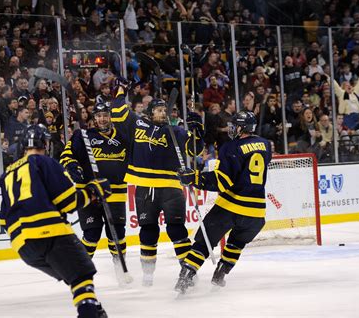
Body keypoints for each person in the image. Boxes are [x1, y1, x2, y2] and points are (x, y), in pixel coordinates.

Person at [0, 124, 110, 318]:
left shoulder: (7, 173)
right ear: (45, 143)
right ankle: (90, 313)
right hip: (50, 234)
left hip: (23, 247)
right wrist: (93, 192)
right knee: (82, 276)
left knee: (74, 277)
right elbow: (68, 202)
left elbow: (3, 221)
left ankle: (92, 309)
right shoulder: (44, 162)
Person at [112, 84, 204, 287]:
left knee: (177, 230)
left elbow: (194, 149)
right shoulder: (137, 124)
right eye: (159, 110)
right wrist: (120, 91)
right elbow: (117, 114)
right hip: (144, 188)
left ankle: (188, 270)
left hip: (171, 187)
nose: (164, 113)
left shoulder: (175, 131)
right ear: (150, 112)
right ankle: (148, 274)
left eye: (166, 110)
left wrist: (198, 131)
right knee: (148, 231)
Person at [175, 111, 272, 293]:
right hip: (256, 213)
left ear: (243, 127)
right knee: (236, 243)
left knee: (204, 242)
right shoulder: (265, 144)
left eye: (235, 125)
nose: (231, 128)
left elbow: (222, 182)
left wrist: (194, 177)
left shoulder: (231, 147)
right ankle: (221, 273)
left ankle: (185, 277)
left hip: (231, 207)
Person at [60, 101, 132, 286]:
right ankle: (80, 272)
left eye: (105, 115)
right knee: (91, 235)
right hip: (89, 193)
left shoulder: (123, 137)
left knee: (117, 234)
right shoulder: (82, 136)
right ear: (94, 118)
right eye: (98, 115)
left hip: (115, 193)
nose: (102, 118)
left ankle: (121, 271)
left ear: (110, 116)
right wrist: (74, 167)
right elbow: (66, 156)